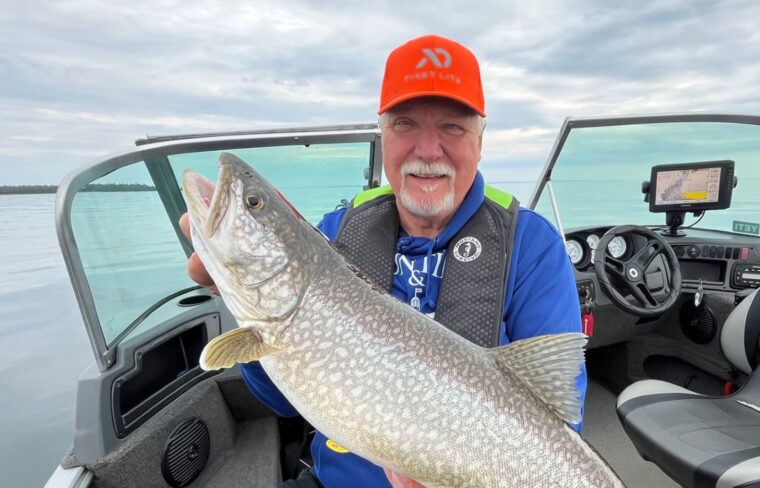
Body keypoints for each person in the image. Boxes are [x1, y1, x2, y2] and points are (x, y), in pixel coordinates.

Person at [181, 34, 585, 488]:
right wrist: (244, 314)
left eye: (452, 127)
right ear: (383, 134)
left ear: (480, 139)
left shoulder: (531, 244)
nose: (428, 150)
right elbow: (284, 402)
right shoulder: (336, 233)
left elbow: (556, 427)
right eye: (406, 124)